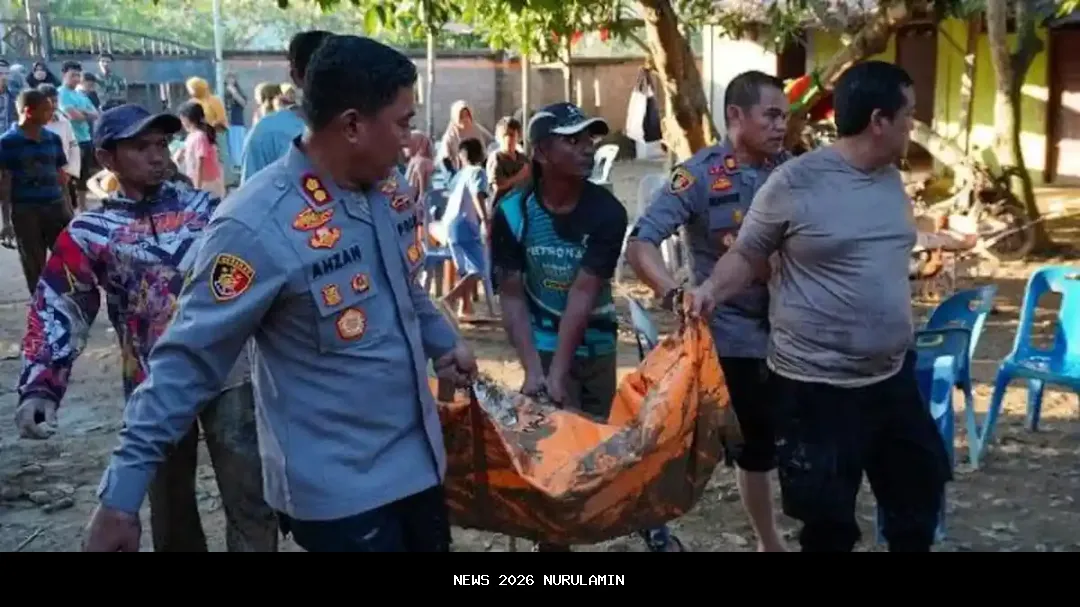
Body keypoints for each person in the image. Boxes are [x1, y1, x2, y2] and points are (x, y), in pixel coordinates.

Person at [81, 34, 477, 553]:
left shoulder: (389, 191)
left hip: (419, 464)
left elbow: (404, 288)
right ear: (353, 125)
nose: (410, 139)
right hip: (342, 494)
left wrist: (442, 341)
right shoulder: (255, 226)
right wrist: (121, 496)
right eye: (403, 122)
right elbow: (186, 361)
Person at [683, 61, 954, 552]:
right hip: (816, 391)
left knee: (918, 501)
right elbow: (747, 253)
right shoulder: (794, 182)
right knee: (828, 529)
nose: (914, 125)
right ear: (879, 120)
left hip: (891, 378)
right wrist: (709, 293)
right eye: (909, 114)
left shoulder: (891, 180)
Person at [13, 103, 277, 552]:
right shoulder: (91, 231)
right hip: (153, 388)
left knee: (251, 498)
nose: (158, 156)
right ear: (108, 157)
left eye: (161, 144)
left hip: (230, 376)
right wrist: (40, 386)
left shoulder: (210, 211)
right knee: (170, 508)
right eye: (141, 147)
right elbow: (58, 305)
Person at [488, 101, 682, 552]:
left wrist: (558, 375)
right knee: (555, 463)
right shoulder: (513, 211)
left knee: (597, 457)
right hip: (539, 342)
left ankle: (644, 524)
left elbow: (582, 293)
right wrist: (537, 372)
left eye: (590, 138)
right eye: (572, 139)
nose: (587, 147)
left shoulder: (607, 212)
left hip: (591, 344)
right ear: (540, 151)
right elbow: (511, 294)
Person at [626, 70, 791, 552]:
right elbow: (642, 243)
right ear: (736, 115)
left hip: (793, 338)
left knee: (773, 448)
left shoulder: (796, 171)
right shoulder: (697, 174)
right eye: (772, 115)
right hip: (729, 343)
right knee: (716, 449)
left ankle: (770, 540)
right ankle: (660, 527)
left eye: (786, 116)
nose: (782, 126)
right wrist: (671, 293)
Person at [0, 89, 71, 294]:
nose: (52, 113)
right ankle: (41, 310)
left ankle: (67, 305)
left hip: (55, 207)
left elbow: (61, 176)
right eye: (46, 109)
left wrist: (68, 209)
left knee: (67, 260)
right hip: (26, 211)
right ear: (29, 112)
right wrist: (6, 222)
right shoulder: (6, 142)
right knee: (34, 265)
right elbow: (5, 183)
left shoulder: (53, 139)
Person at [240, 30, 331, 183]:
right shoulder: (268, 133)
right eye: (320, 73)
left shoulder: (360, 132)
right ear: (296, 76)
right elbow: (250, 200)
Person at [440, 137, 491, 318]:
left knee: (465, 270)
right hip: (465, 223)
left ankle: (465, 308)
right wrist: (485, 219)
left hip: (450, 225)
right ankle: (449, 299)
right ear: (481, 154)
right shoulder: (478, 172)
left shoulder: (459, 175)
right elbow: (478, 194)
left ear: (461, 157)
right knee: (479, 269)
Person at [175, 100, 226, 197]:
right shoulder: (192, 136)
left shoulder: (199, 136)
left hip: (206, 184)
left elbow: (200, 163)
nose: (181, 123)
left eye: (181, 119)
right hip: (199, 182)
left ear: (187, 119)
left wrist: (197, 189)